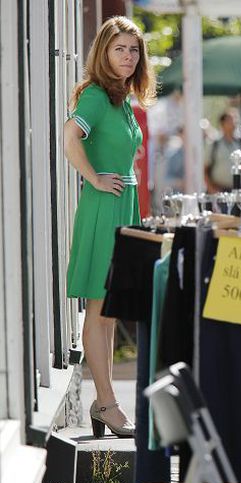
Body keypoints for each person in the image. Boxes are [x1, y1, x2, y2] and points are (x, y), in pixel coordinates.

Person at [64, 16, 156, 437]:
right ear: (103, 51)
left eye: (134, 50)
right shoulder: (97, 96)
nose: (128, 56)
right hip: (104, 207)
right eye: (119, 48)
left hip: (124, 207)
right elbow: (69, 137)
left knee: (111, 311)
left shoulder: (122, 100)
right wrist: (94, 177)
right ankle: (105, 403)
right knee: (100, 309)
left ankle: (107, 400)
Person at [204, 110, 241, 193]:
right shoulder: (213, 144)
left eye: (235, 120)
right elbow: (205, 169)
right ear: (222, 123)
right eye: (229, 121)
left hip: (240, 190)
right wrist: (211, 189)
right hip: (219, 190)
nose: (233, 123)